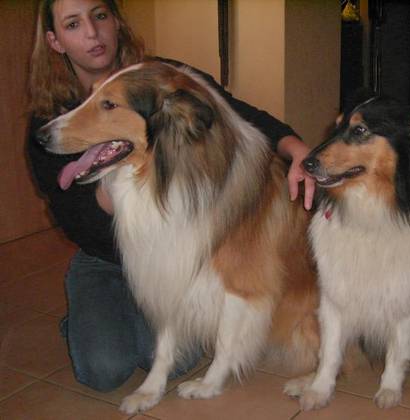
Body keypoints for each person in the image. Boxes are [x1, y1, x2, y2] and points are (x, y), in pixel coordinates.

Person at [27, 0, 315, 392]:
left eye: (100, 15)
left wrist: (297, 150)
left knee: (170, 360)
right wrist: (118, 189)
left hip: (171, 256)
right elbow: (77, 224)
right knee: (103, 369)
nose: (92, 33)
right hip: (106, 259)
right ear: (55, 40)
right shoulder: (48, 123)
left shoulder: (165, 79)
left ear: (116, 21)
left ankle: (131, 318)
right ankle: (87, 315)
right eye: (73, 24)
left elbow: (239, 115)